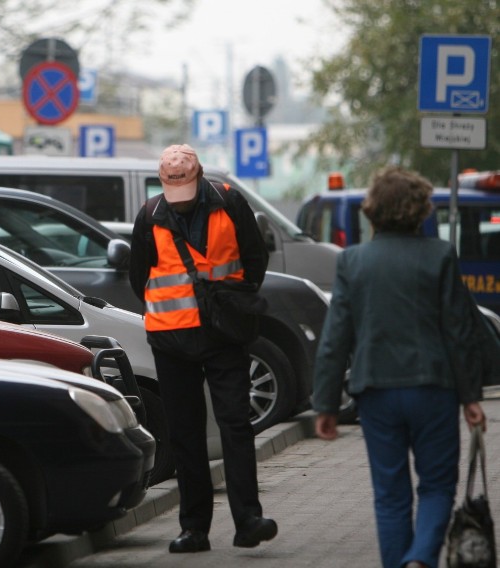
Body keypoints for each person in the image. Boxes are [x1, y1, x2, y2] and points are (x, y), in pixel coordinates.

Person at [313, 165, 487, 568]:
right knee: (438, 485)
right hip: (434, 388)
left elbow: (335, 337)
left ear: (372, 210)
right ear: (421, 210)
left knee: (390, 493)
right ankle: (421, 559)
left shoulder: (353, 261)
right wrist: (471, 397)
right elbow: (458, 331)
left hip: (376, 391)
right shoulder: (440, 255)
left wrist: (325, 405)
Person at [128, 143, 276, 553]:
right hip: (172, 341)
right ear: (163, 183)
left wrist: (230, 301)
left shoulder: (229, 203)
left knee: (235, 425)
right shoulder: (149, 215)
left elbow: (254, 258)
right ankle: (194, 529)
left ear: (200, 177)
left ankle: (248, 520)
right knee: (186, 435)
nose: (180, 200)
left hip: (223, 336)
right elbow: (139, 278)